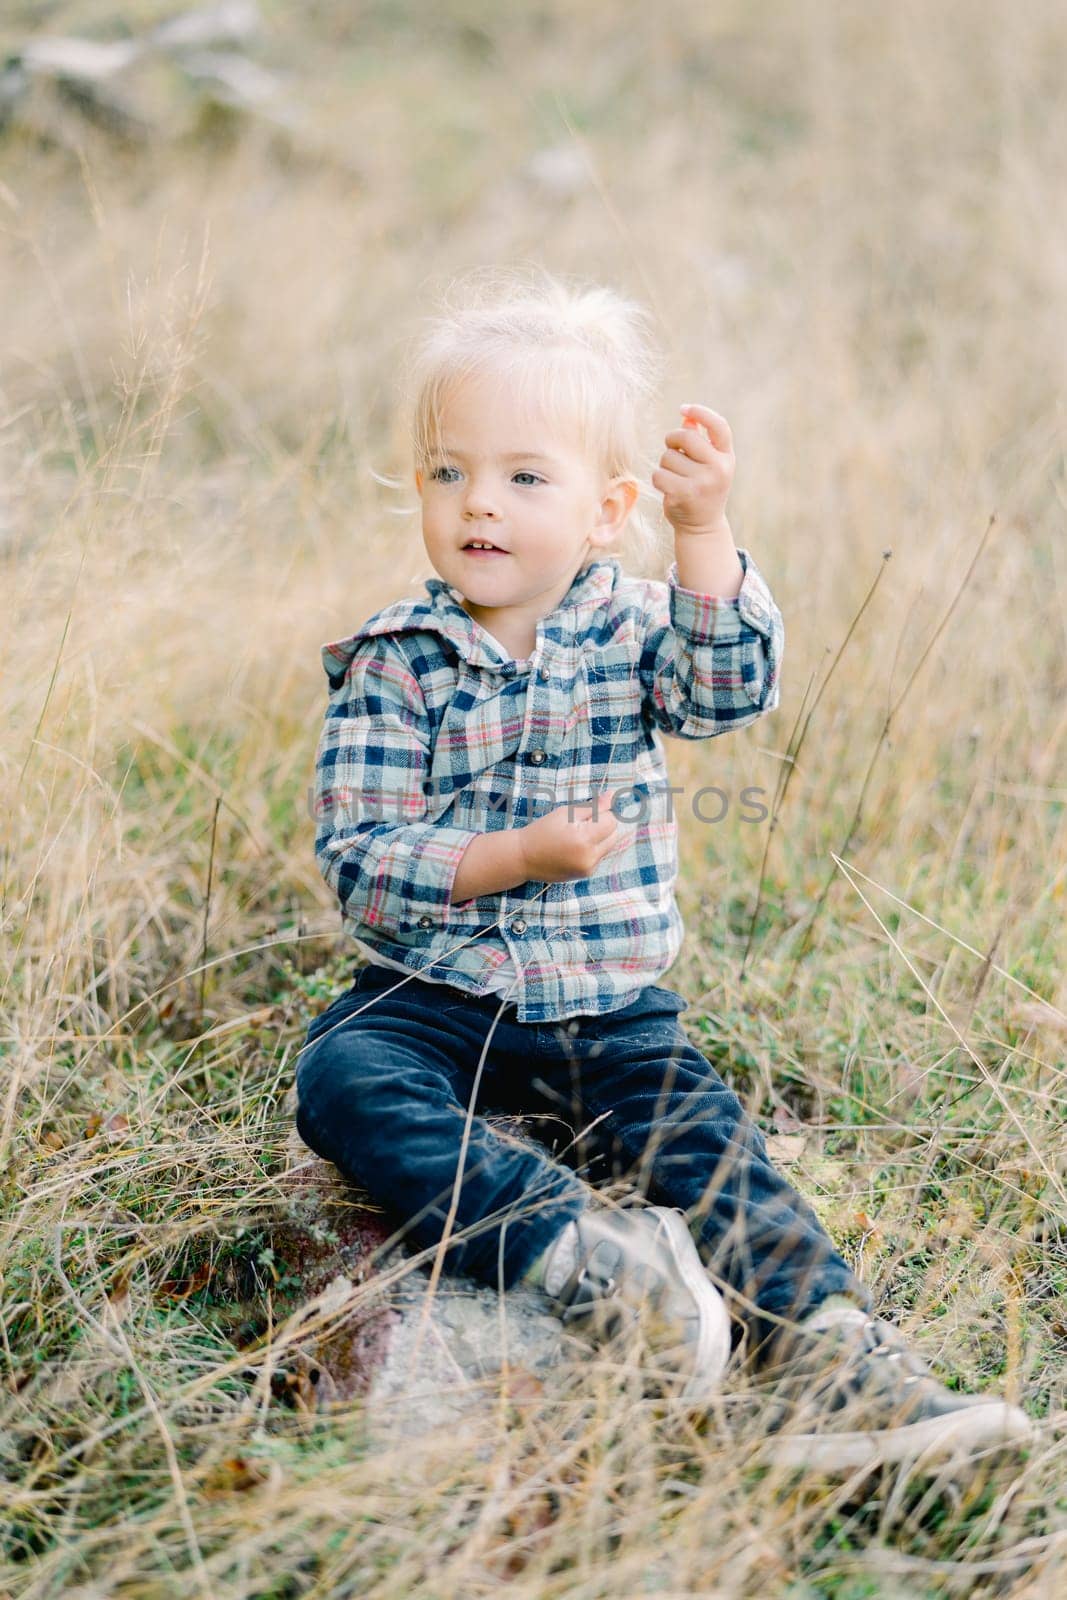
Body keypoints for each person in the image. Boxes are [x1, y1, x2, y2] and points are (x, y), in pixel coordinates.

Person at [295, 266, 1032, 1469]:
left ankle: (835, 1358)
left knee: (704, 1143)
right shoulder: (396, 662)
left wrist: (702, 535)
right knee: (342, 1076)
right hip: (432, 994)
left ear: (604, 509)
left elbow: (724, 689)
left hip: (609, 1003)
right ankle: (586, 1257)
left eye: (524, 476)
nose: (478, 503)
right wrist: (512, 857)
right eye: (447, 471)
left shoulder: (639, 623)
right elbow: (363, 860)